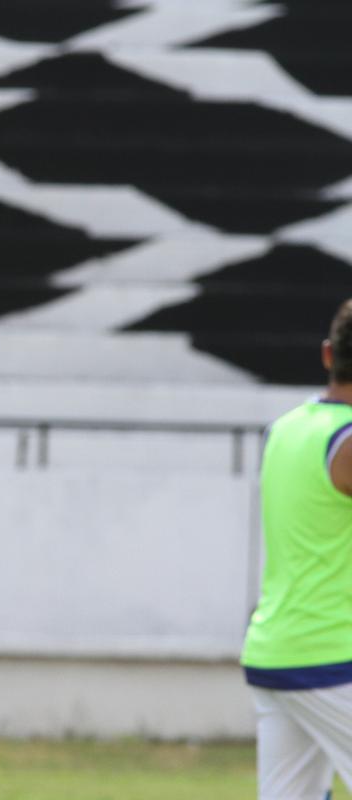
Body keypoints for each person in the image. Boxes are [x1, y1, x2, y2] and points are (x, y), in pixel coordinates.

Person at [243, 299, 352, 799]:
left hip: (276, 651)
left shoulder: (284, 430)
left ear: (328, 355)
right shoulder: (345, 443)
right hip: (334, 658)